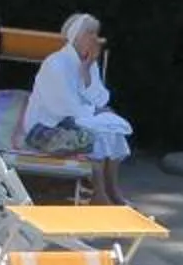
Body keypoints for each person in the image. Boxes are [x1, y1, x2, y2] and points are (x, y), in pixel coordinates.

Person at [24, 11, 133, 205]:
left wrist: (86, 69)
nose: (94, 39)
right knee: (97, 132)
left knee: (114, 131)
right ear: (75, 36)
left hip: (74, 119)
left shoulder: (88, 63)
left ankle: (112, 190)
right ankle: (99, 195)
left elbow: (100, 98)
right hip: (47, 126)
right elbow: (63, 106)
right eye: (89, 34)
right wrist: (96, 113)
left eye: (95, 34)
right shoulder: (55, 63)